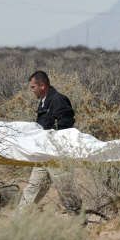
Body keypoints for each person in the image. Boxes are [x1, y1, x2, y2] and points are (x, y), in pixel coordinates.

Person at [17, 71, 82, 213]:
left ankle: (79, 221)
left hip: (58, 156)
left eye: (33, 87)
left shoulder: (58, 99)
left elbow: (67, 123)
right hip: (44, 154)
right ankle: (19, 222)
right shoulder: (44, 101)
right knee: (33, 187)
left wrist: (53, 136)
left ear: (42, 86)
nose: (31, 90)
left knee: (65, 190)